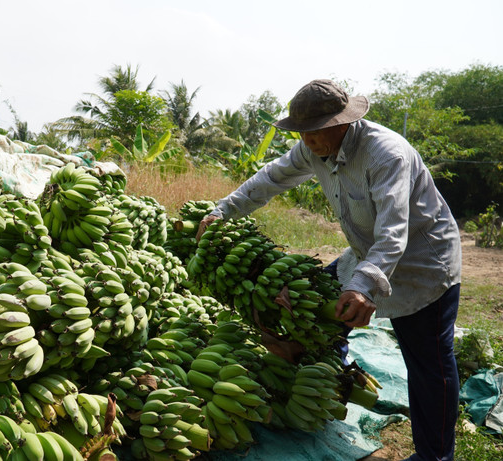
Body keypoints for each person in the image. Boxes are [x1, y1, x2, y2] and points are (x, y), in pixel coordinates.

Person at [197, 79, 462, 461]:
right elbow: (272, 177)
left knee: (428, 364)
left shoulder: (386, 154)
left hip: (423, 264)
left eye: (314, 132)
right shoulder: (315, 148)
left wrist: (363, 287)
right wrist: (224, 210)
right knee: (315, 302)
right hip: (365, 252)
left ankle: (435, 456)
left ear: (342, 123)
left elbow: (393, 233)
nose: (306, 140)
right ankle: (326, 373)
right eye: (302, 133)